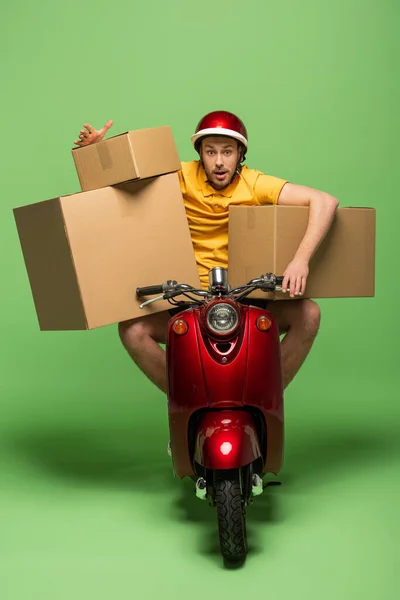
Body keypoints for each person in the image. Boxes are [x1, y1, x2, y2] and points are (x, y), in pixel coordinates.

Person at [74, 111, 338, 395]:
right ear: (200, 153)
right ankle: (189, 397)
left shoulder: (255, 183)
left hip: (245, 297)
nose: (220, 161)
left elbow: (324, 201)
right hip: (188, 298)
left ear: (240, 154)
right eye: (211, 152)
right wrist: (95, 154)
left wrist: (301, 260)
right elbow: (122, 192)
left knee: (309, 313)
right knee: (132, 329)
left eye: (227, 151)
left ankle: (264, 394)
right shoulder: (181, 176)